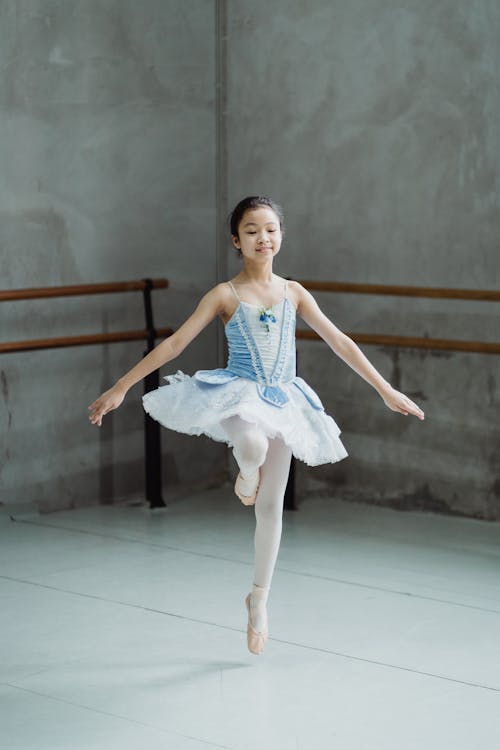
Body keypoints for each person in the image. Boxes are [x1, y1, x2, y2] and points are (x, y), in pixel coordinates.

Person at [88, 195, 425, 656]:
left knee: (271, 506)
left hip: (284, 399)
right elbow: (175, 345)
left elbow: (340, 342)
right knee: (251, 447)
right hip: (239, 393)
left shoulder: (294, 293)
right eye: (251, 231)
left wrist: (386, 389)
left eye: (270, 229)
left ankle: (258, 598)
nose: (263, 238)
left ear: (280, 235)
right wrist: (122, 386)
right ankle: (246, 473)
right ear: (236, 241)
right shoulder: (225, 294)